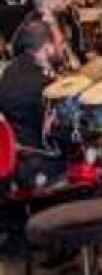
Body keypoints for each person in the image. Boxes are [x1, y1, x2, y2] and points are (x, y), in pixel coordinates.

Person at [0, 21, 65, 189]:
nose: (63, 47)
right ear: (47, 48)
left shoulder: (10, 71)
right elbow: (59, 133)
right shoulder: (44, 86)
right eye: (60, 43)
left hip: (15, 160)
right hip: (40, 166)